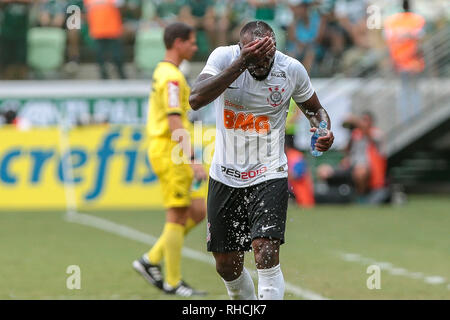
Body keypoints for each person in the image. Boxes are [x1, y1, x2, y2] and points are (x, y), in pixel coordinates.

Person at [189, 20, 334, 300]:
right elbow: (196, 99)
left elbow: (316, 110)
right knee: (226, 264)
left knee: (265, 251)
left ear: (275, 49)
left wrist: (324, 129)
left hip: (269, 172)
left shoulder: (291, 69)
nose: (260, 64)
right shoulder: (224, 58)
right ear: (241, 49)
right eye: (253, 56)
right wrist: (241, 63)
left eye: (265, 56)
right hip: (224, 174)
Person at [132, 22, 208, 297]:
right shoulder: (172, 77)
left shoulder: (164, 72)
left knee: (198, 210)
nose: (195, 47)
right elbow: (174, 120)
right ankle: (173, 282)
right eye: (191, 41)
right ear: (177, 43)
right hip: (170, 152)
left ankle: (150, 259)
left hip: (169, 150)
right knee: (176, 216)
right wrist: (191, 159)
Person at [317, 111, 386, 202]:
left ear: (371, 122)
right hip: (351, 165)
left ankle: (361, 198)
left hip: (368, 169)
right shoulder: (355, 134)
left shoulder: (376, 133)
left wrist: (355, 121)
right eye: (362, 120)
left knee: (360, 172)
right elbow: (346, 150)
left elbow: (370, 135)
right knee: (323, 171)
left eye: (365, 120)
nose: (363, 123)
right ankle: (332, 198)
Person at [384, 0, 425, 123]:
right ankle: (410, 119)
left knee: (408, 91)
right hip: (407, 62)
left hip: (407, 62)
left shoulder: (393, 21)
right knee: (410, 91)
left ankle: (410, 119)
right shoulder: (415, 20)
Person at [83, 0, 127, 79]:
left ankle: (122, 76)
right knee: (100, 56)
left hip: (113, 29)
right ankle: (104, 77)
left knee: (117, 55)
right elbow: (86, 10)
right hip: (97, 29)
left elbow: (121, 6)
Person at [0, 0, 33, 80]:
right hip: (7, 31)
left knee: (21, 58)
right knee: (6, 58)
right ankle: (6, 78)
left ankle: (22, 78)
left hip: (21, 31)